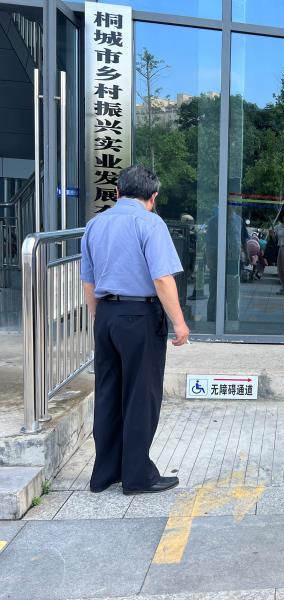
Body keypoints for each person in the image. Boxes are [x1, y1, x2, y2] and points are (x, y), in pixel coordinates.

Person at [80, 165, 190, 495]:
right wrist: (179, 322)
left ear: (117, 192)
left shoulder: (95, 224)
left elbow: (88, 281)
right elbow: (162, 279)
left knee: (109, 393)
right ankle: (138, 476)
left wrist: (99, 317)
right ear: (152, 197)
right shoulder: (150, 223)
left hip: (106, 315)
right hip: (140, 315)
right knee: (141, 395)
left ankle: (104, 473)